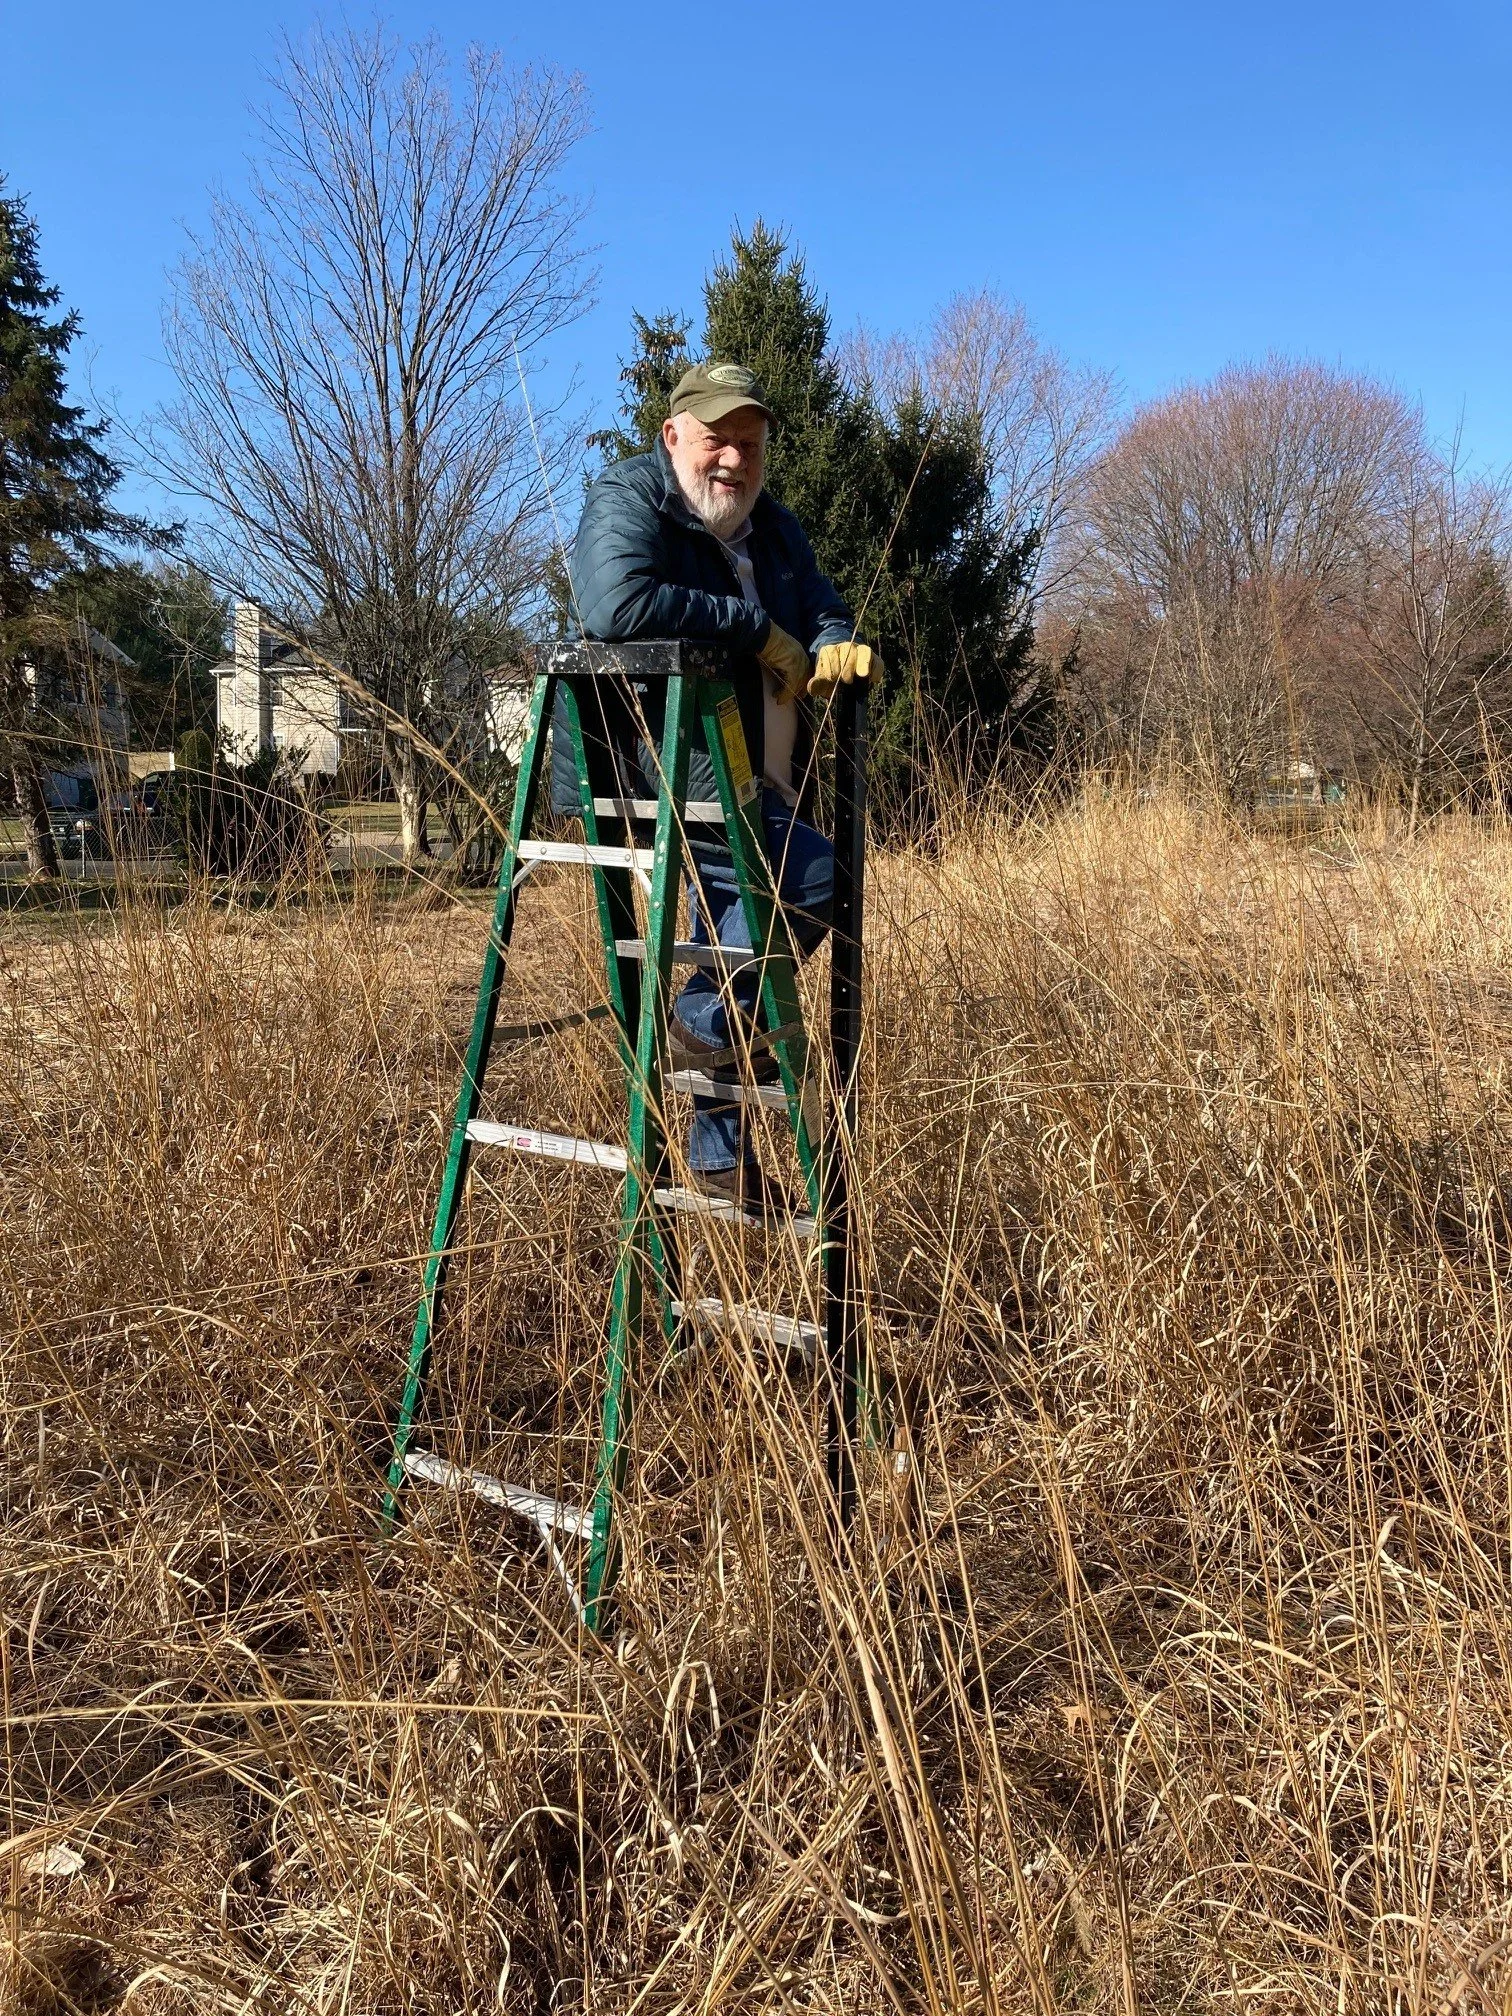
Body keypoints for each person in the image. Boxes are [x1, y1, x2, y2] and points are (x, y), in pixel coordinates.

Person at [566, 361, 881, 1215]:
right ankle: (706, 1025)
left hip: (743, 772)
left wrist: (833, 638)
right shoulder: (630, 497)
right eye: (717, 441)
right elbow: (614, 605)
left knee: (737, 935)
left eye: (748, 443)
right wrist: (757, 633)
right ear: (674, 438)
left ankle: (714, 1139)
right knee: (816, 877)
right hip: (660, 771)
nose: (734, 461)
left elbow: (817, 600)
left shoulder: (772, 527)